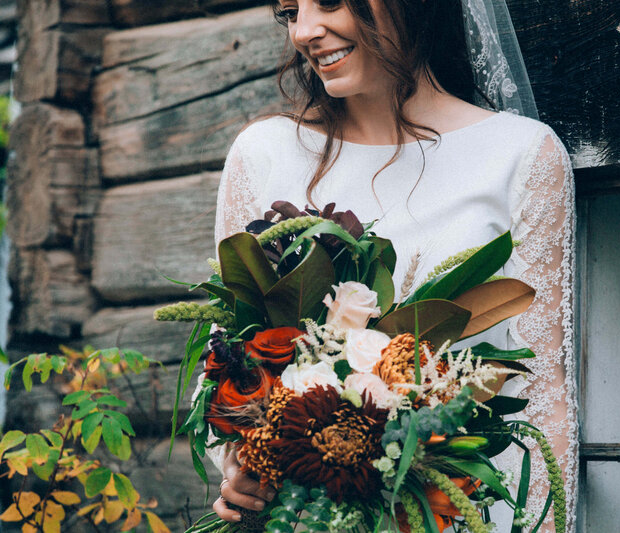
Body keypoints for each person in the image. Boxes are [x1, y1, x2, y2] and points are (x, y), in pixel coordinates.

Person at [204, 0, 578, 530]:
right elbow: (224, 364)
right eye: (290, 12)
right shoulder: (264, 155)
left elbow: (540, 390)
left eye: (329, 2)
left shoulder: (521, 155)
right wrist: (240, 471)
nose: (306, 32)